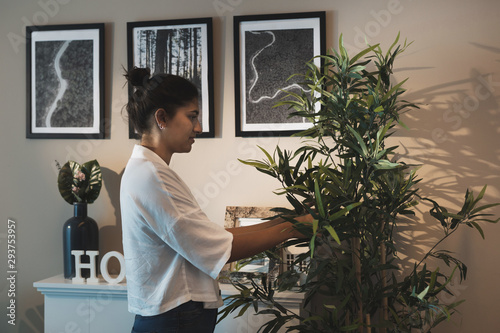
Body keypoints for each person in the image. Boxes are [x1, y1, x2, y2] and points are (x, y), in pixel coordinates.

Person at [120, 67, 312, 333]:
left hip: (173, 316)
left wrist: (285, 220)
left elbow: (213, 237)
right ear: (161, 117)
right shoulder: (152, 177)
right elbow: (222, 250)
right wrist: (293, 227)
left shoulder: (148, 172)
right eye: (192, 116)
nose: (198, 127)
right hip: (174, 318)